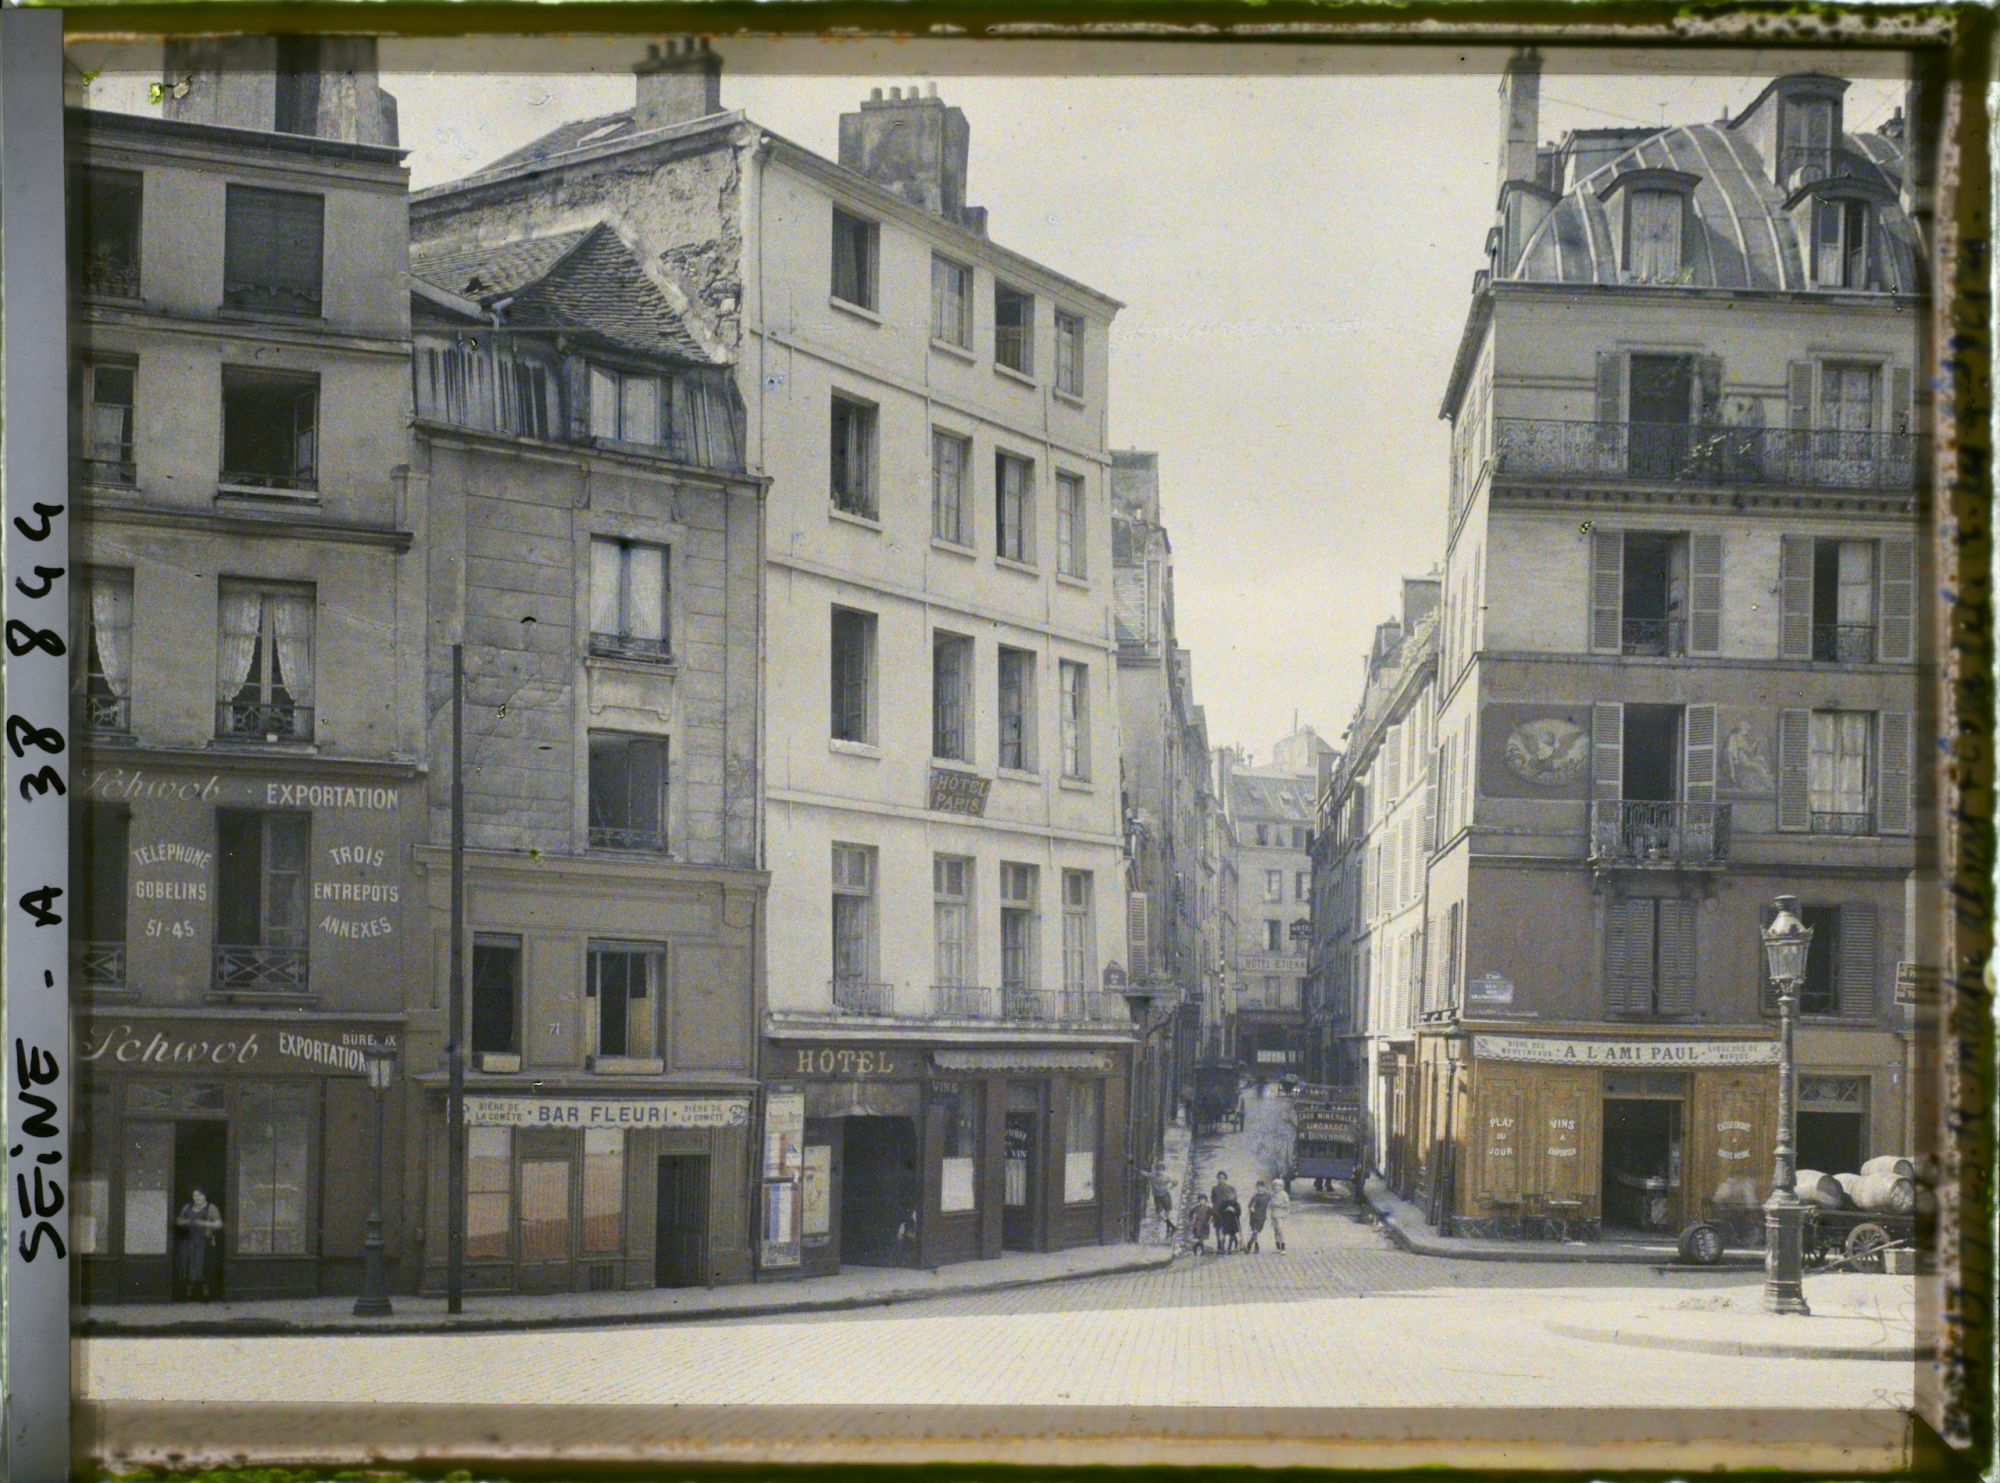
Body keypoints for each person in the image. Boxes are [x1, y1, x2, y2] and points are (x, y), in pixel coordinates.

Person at [175, 1188, 224, 1302]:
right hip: (188, 1241)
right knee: (188, 1266)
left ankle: (205, 1295)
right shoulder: (187, 1207)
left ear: (205, 1196)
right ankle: (189, 1294)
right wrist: (186, 1222)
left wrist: (204, 1223)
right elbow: (179, 1221)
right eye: (195, 1195)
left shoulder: (211, 1208)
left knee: (204, 1267)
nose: (197, 1198)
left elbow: (219, 1224)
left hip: (204, 1241)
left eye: (200, 1195)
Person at [1129, 1158, 1177, 1240]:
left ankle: (1169, 1229)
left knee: (1167, 1213)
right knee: (1159, 1214)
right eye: (1158, 1170)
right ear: (1155, 1170)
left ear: (1163, 1171)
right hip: (1157, 1197)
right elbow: (1143, 1173)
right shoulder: (1152, 1175)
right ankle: (1171, 1226)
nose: (1159, 1172)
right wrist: (1134, 1168)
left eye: (1161, 1170)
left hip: (1165, 1195)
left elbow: (1175, 1182)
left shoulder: (1166, 1177)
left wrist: (1171, 1187)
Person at [1245, 1180, 1272, 1253]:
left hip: (1262, 1217)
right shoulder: (1255, 1197)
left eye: (1262, 1187)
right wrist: (1251, 1208)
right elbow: (1250, 1205)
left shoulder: (1268, 1196)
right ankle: (1253, 1245)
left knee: (1256, 1232)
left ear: (1265, 1188)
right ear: (1256, 1188)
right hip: (1254, 1216)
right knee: (1255, 1231)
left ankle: (1252, 1245)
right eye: (1258, 1187)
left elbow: (1273, 1201)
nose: (1260, 1189)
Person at [1268, 1177, 1291, 1252]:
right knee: (1275, 1230)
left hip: (1281, 1215)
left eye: (1279, 1186)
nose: (1276, 1187)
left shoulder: (1284, 1194)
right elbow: (1270, 1204)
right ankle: (1277, 1245)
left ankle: (1283, 1246)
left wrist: (1279, 1205)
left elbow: (1287, 1204)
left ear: (1282, 1187)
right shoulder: (1272, 1194)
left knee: (1280, 1229)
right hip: (1274, 1214)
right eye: (1275, 1186)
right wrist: (1271, 1205)